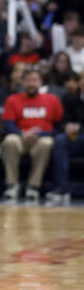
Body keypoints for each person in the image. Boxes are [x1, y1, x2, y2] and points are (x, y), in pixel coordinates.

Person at [0, 67, 64, 201]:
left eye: (35, 80)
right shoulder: (13, 99)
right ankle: (12, 185)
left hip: (42, 138)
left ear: (41, 83)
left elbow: (59, 126)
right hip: (21, 137)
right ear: (22, 82)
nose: (31, 84)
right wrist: (21, 134)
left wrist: (43, 134)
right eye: (28, 80)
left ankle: (33, 186)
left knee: (47, 143)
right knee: (9, 140)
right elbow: (8, 124)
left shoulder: (52, 100)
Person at [47, 72, 84, 203]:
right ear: (80, 82)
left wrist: (79, 127)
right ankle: (62, 187)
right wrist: (66, 126)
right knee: (60, 140)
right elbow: (62, 120)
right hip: (76, 138)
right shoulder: (69, 97)